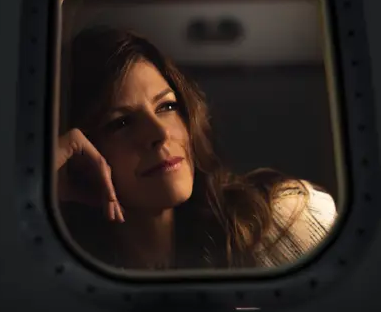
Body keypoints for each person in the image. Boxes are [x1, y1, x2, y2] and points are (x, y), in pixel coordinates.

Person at [56, 26, 337, 270]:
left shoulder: (282, 223)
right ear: (80, 155)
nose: (160, 133)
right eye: (121, 122)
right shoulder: (57, 269)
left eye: (167, 106)